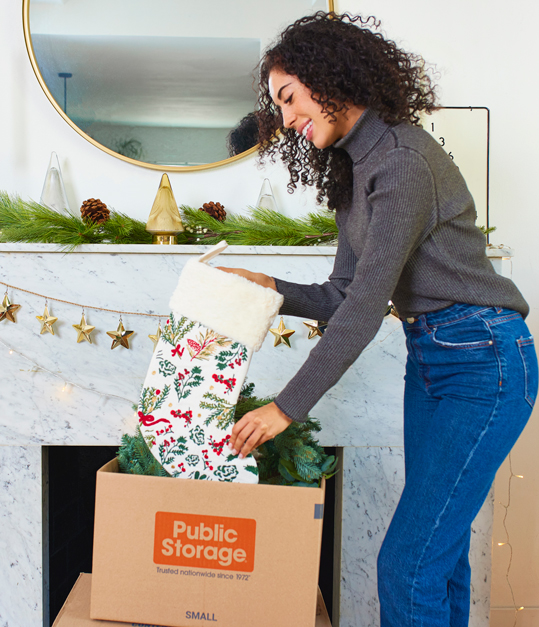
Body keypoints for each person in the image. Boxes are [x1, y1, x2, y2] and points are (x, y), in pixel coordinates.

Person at [219, 12, 538, 627]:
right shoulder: (354, 167)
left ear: (329, 77)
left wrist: (286, 406)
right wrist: (272, 289)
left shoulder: (401, 158)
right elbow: (344, 293)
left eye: (290, 98)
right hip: (434, 362)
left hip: (485, 363)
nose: (285, 119)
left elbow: (366, 309)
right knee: (436, 561)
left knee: (406, 566)